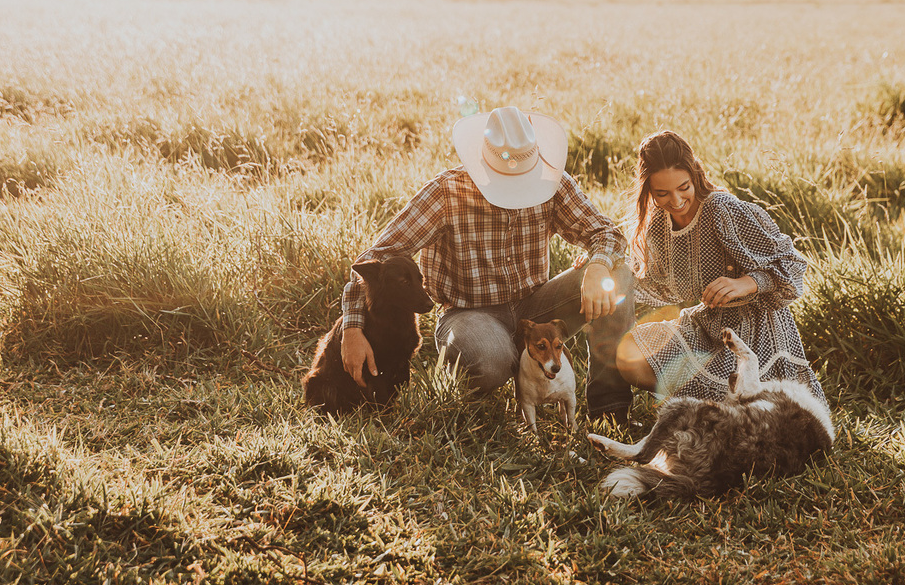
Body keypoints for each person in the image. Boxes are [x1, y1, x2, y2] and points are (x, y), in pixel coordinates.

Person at [340, 106, 634, 422]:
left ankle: (609, 408)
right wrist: (352, 327)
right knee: (491, 360)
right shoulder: (446, 191)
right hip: (468, 314)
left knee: (618, 275)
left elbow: (607, 233)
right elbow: (377, 257)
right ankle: (461, 376)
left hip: (535, 306)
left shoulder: (553, 181)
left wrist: (598, 266)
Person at [614, 130, 827, 409]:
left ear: (695, 175)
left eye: (684, 187)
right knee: (629, 356)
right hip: (707, 325)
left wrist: (748, 282)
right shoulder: (658, 225)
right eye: (662, 193)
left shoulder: (722, 210)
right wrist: (603, 265)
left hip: (758, 330)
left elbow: (792, 263)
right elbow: (654, 285)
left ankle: (722, 408)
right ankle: (704, 405)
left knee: (763, 408)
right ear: (648, 191)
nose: (676, 201)